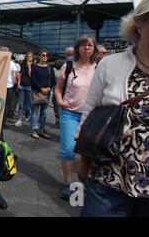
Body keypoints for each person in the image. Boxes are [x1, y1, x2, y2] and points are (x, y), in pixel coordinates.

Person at [79, 0, 149, 216]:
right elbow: (89, 113)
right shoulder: (111, 64)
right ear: (139, 24)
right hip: (108, 175)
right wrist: (83, 159)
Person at [54, 35, 97, 200]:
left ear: (94, 48)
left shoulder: (99, 67)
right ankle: (67, 184)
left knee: (88, 151)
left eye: (90, 45)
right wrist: (59, 100)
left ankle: (86, 181)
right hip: (70, 112)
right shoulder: (69, 65)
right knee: (68, 149)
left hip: (91, 115)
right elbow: (58, 88)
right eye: (83, 45)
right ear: (78, 48)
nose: (87, 47)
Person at [29, 50, 56, 139]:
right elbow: (33, 79)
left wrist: (48, 89)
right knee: (34, 113)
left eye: (46, 55)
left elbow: (52, 80)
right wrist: (41, 88)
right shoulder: (35, 67)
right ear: (40, 56)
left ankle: (41, 130)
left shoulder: (50, 68)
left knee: (44, 113)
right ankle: (33, 130)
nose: (45, 56)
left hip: (46, 93)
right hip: (37, 92)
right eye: (43, 55)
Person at [14, 52, 34, 127]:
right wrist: (18, 83)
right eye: (27, 56)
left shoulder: (34, 66)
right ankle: (19, 120)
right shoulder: (22, 65)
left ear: (32, 58)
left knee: (29, 104)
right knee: (21, 104)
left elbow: (31, 76)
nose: (28, 57)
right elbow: (20, 75)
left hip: (29, 86)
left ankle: (31, 119)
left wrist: (29, 67)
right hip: (22, 86)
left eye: (30, 56)